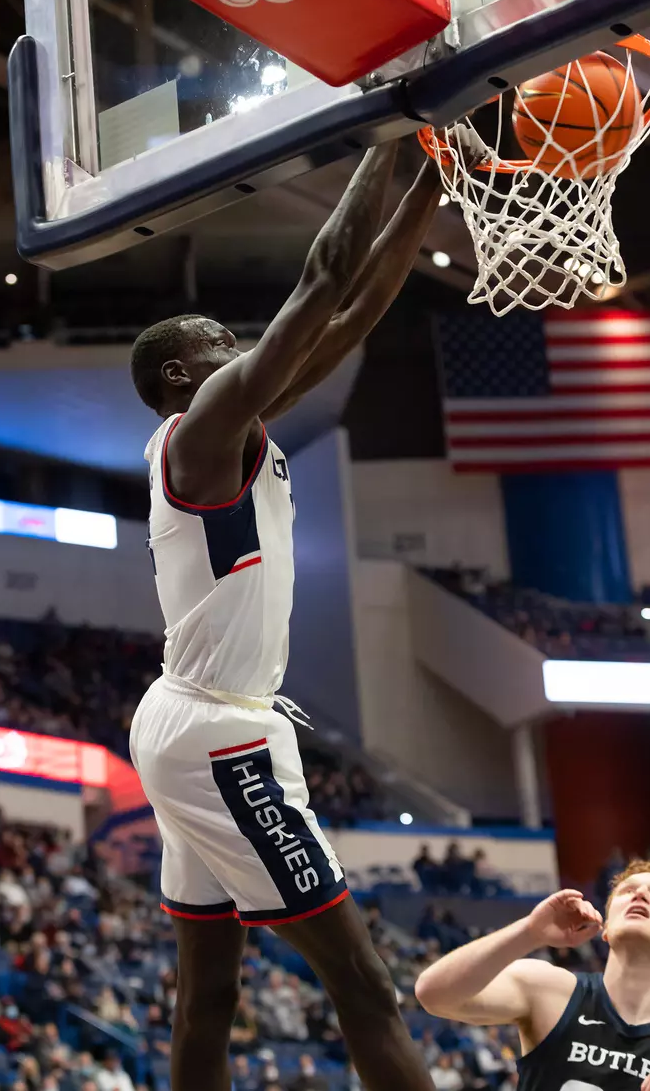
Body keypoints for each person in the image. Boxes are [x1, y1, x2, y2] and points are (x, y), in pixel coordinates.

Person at [130, 129, 485, 1091]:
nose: (243, 351)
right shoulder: (201, 432)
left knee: (209, 992)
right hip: (220, 736)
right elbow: (323, 277)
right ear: (180, 378)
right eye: (221, 348)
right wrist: (396, 134)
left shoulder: (234, 430)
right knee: (364, 988)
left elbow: (358, 306)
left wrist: (437, 175)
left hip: (191, 718)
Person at [415, 860, 650, 1091]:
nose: (639, 894)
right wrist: (531, 932)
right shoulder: (553, 989)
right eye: (628, 890)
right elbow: (434, 993)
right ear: (606, 928)